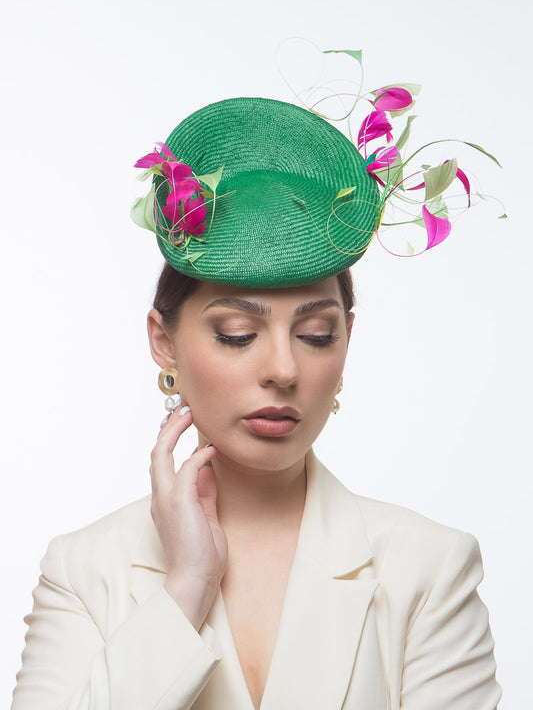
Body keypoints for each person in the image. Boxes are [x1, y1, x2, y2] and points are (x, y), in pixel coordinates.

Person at [11, 88, 502, 709]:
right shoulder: (83, 571)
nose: (284, 368)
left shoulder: (429, 568)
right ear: (165, 343)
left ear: (347, 340)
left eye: (317, 334)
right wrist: (186, 585)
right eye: (238, 334)